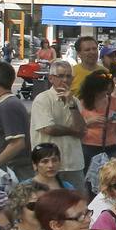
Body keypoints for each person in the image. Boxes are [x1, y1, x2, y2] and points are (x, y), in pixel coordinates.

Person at [29, 60, 87, 190]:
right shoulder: (43, 99)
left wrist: (72, 104)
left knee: (78, 202)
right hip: (48, 163)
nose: (65, 80)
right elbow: (49, 129)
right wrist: (73, 131)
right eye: (61, 76)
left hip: (73, 163)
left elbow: (82, 131)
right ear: (51, 78)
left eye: (68, 76)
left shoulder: (75, 101)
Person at [0, 62, 35, 185]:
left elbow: (17, 144)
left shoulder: (8, 105)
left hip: (16, 175)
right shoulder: (4, 104)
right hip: (10, 173)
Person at [76, 71, 116, 172]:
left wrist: (114, 121)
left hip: (111, 146)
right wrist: (89, 122)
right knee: (89, 178)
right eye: (101, 89)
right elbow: (76, 126)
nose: (104, 92)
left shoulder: (114, 101)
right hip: (89, 146)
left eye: (106, 89)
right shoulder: (82, 102)